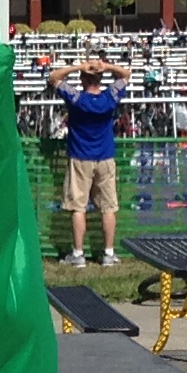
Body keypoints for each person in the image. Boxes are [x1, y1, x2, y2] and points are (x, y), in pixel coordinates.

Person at [46, 53, 124, 265]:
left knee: (78, 207)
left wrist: (79, 66)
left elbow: (54, 77)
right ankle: (109, 253)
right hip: (105, 157)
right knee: (108, 207)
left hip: (80, 157)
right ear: (100, 79)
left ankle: (78, 254)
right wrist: (105, 66)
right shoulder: (109, 98)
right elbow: (126, 75)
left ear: (83, 79)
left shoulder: (76, 98)